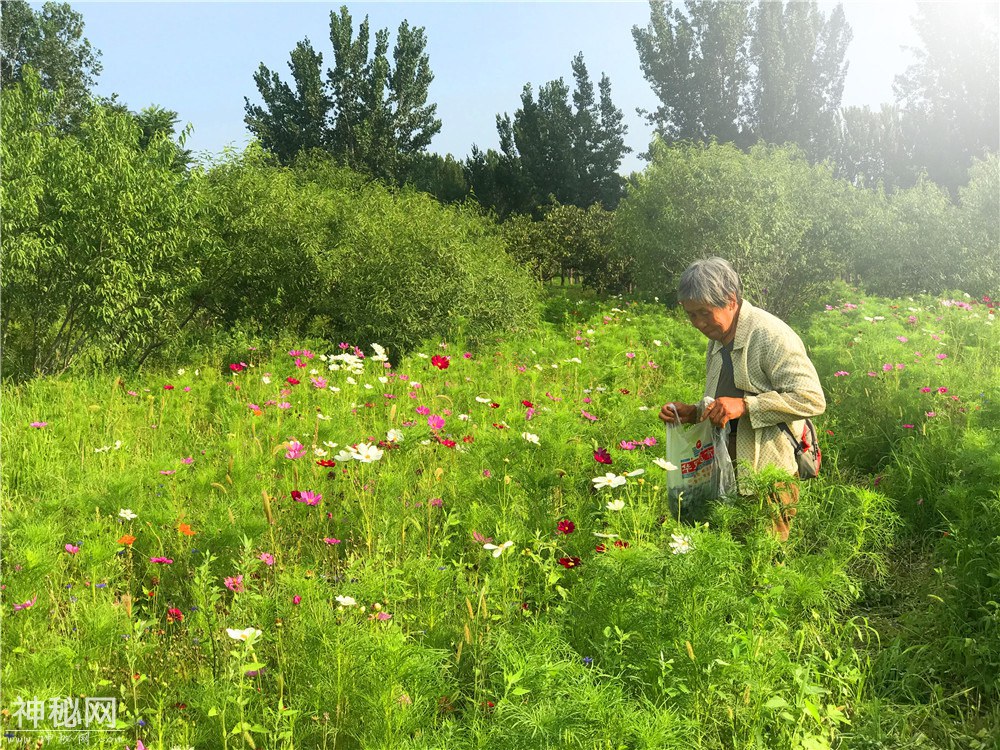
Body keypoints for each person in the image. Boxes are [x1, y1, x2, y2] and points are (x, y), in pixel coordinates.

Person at [658, 257, 826, 540]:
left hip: (766, 476)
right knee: (730, 554)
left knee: (765, 560)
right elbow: (726, 399)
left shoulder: (769, 335)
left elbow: (811, 398)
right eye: (691, 315)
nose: (697, 323)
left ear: (731, 300)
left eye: (703, 312)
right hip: (726, 469)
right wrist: (695, 412)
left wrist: (748, 405)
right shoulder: (718, 336)